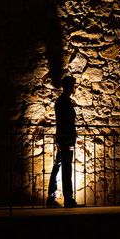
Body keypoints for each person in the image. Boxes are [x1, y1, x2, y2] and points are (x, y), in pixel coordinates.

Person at [46, 76, 78, 207]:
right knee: (65, 167)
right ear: (68, 86)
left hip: (64, 138)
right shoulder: (63, 102)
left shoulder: (63, 101)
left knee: (59, 165)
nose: (74, 88)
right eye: (72, 85)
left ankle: (51, 195)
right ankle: (68, 198)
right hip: (65, 138)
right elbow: (64, 121)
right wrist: (68, 137)